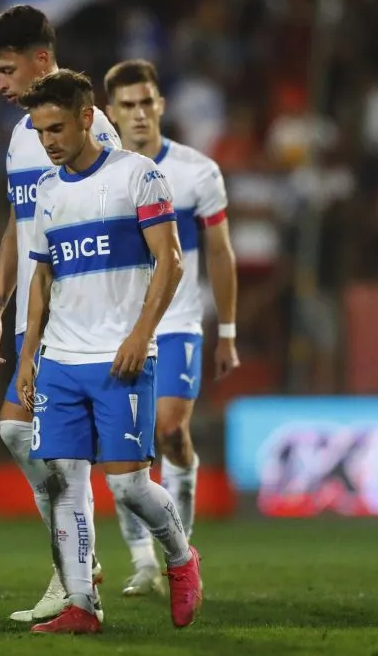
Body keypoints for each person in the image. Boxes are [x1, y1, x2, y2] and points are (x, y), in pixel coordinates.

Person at [15, 70, 203, 635]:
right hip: (62, 359)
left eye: (56, 128)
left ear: (87, 118)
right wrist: (28, 354)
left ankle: (180, 556)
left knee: (126, 484)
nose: (47, 141)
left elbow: (170, 260)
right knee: (62, 480)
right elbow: (42, 278)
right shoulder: (47, 192)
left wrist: (142, 333)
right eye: (39, 131)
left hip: (122, 355)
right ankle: (81, 604)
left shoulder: (136, 176)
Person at [0, 4, 121, 624]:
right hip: (34, 315)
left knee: (40, 442)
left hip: (76, 316)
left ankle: (79, 572)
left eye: (7, 70)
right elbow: (20, 224)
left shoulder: (92, 131)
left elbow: (115, 226)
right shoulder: (21, 135)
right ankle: (78, 566)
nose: (0, 85)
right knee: (25, 437)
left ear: (41, 59)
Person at [101, 59, 240, 596]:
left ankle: (176, 547)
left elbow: (221, 253)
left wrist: (226, 329)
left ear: (160, 105)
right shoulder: (103, 175)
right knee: (125, 445)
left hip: (178, 320)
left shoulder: (197, 170)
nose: (138, 113)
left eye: (146, 102)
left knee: (169, 430)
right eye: (127, 106)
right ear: (110, 113)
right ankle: (142, 561)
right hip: (117, 323)